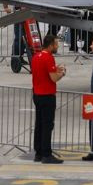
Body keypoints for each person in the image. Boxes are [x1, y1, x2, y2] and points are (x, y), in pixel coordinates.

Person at [30, 32, 65, 164]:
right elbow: (53, 78)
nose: (57, 46)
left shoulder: (36, 57)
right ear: (50, 45)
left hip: (37, 94)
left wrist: (55, 68)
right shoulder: (48, 57)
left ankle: (38, 152)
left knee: (39, 124)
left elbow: (43, 72)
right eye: (56, 44)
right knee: (47, 125)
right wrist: (62, 73)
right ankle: (46, 154)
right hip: (47, 95)